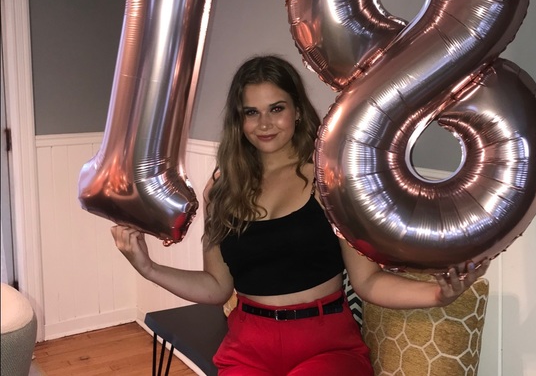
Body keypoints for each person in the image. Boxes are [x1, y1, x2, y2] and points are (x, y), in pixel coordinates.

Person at [112, 54, 488, 375]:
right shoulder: (222, 191)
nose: (264, 124)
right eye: (251, 112)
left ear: (296, 110)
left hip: (325, 346)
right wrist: (148, 267)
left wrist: (437, 294)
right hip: (248, 346)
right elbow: (216, 287)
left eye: (276, 108)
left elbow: (368, 282)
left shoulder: (329, 181)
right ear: (239, 121)